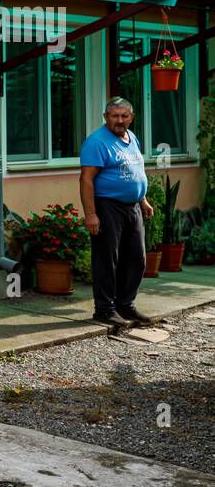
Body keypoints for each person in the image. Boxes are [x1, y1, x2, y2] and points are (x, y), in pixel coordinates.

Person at [79, 97, 154, 326]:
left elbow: (135, 170)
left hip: (132, 207)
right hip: (107, 206)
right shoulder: (97, 142)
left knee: (136, 259)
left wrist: (143, 200)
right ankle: (104, 309)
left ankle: (125, 305)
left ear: (131, 117)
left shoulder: (132, 138)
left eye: (124, 116)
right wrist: (91, 214)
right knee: (107, 259)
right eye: (114, 116)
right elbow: (86, 179)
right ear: (106, 117)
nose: (119, 120)